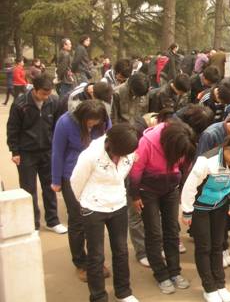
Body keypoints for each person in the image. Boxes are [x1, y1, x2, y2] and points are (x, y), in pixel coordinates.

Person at [181, 133, 230, 302]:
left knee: (218, 246)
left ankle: (220, 285)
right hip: (200, 208)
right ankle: (209, 287)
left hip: (220, 206)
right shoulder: (206, 161)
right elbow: (189, 187)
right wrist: (187, 211)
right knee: (204, 247)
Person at [70, 124, 140, 302]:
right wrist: (87, 201)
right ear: (110, 144)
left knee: (121, 250)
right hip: (93, 208)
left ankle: (123, 292)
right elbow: (76, 182)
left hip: (118, 204)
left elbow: (124, 174)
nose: (123, 158)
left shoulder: (128, 150)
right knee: (96, 255)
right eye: (120, 154)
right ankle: (98, 296)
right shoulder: (90, 155)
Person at [129, 119, 196, 295]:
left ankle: (174, 271)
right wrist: (135, 196)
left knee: (172, 230)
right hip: (147, 191)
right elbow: (135, 172)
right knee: (154, 232)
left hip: (171, 188)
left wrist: (181, 187)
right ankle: (161, 274)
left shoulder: (183, 141)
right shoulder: (146, 143)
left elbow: (185, 166)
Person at [51, 99, 111, 281]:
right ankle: (80, 262)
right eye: (90, 121)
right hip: (71, 176)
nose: (93, 124)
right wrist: (56, 180)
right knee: (77, 221)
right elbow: (57, 151)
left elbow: (109, 144)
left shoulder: (103, 121)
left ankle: (96, 260)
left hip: (96, 175)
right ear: (82, 117)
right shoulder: (65, 122)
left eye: (97, 121)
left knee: (95, 219)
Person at [6, 74, 66, 233]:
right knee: (28, 188)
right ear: (34, 89)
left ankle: (52, 221)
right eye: (43, 94)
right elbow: (12, 128)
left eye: (48, 94)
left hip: (48, 151)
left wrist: (57, 147)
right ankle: (33, 223)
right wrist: (15, 151)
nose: (46, 97)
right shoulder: (20, 104)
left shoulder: (54, 101)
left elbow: (57, 126)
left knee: (50, 186)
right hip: (26, 152)